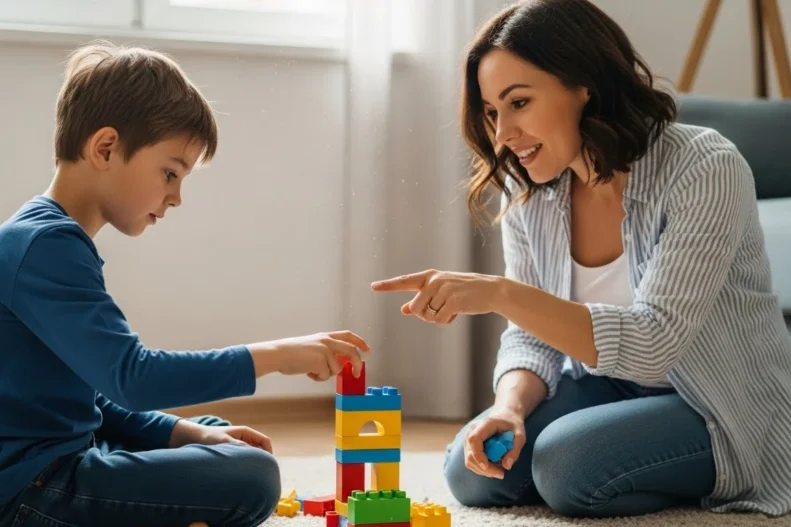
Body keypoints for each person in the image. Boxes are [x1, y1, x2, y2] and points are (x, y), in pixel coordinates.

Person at [372, 0, 791, 519]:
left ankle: (676, 473)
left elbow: (653, 344)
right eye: (492, 112)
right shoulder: (530, 191)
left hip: (717, 403)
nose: (503, 134)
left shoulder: (704, 168)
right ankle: (620, 462)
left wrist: (501, 293)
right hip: (609, 388)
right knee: (473, 470)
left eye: (519, 102)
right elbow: (531, 337)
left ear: (583, 84)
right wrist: (511, 407)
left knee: (567, 465)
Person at [0, 41, 368, 527]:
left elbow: (92, 400)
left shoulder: (46, 237)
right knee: (252, 475)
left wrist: (186, 433)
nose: (175, 197)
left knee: (218, 436)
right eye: (170, 173)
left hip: (60, 460)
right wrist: (278, 355)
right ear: (105, 148)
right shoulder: (46, 246)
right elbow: (133, 379)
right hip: (32, 488)